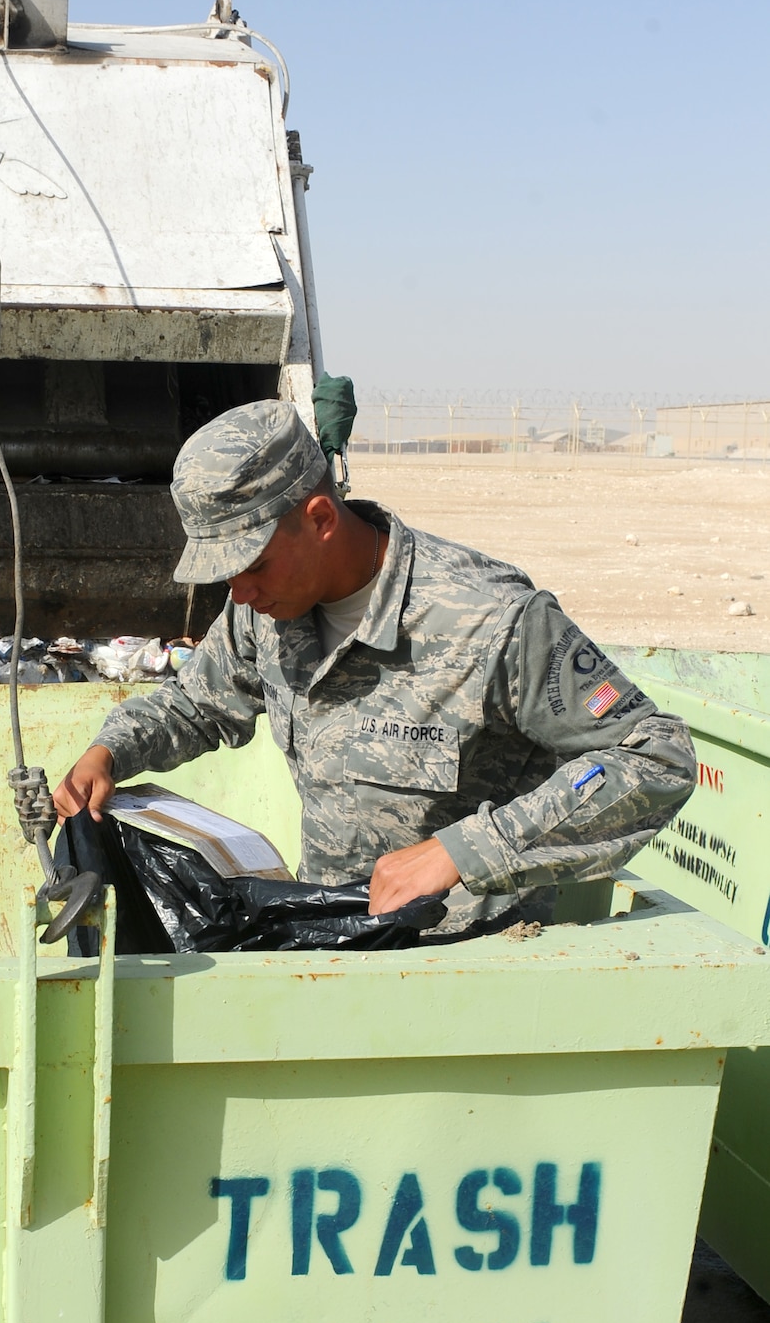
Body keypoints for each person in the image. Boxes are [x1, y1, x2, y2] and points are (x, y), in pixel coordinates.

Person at [53, 401, 696, 936]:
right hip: (335, 947)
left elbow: (657, 755)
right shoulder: (265, 611)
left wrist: (464, 850)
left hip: (470, 964)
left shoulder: (491, 620)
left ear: (321, 519)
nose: (238, 593)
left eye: (251, 566)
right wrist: (111, 751)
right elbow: (196, 702)